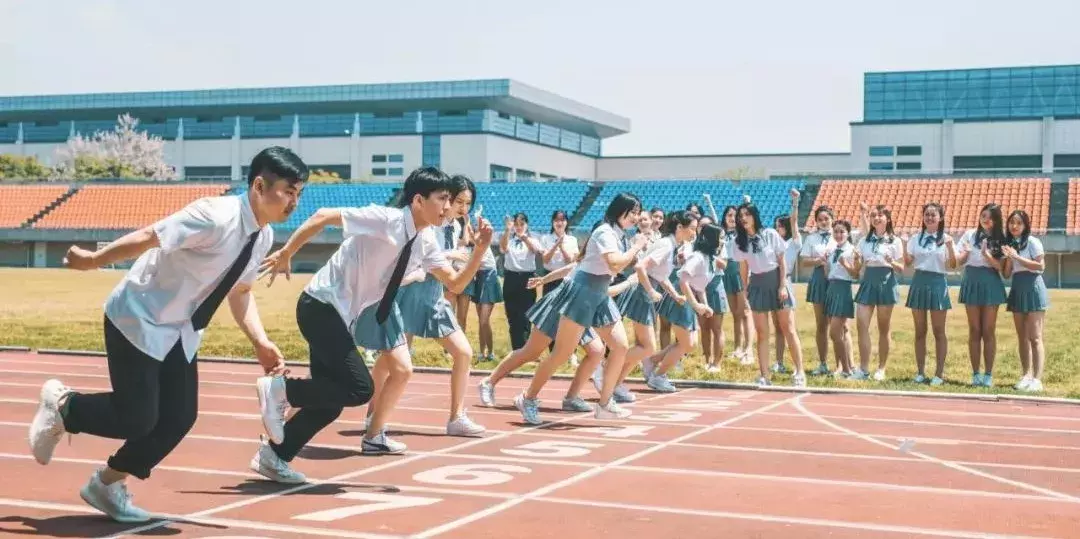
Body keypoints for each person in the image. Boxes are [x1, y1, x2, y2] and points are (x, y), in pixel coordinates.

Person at [27, 146, 308, 523]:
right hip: (139, 317)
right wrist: (93, 261)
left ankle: (106, 485)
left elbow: (240, 291)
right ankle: (64, 406)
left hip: (180, 330)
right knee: (137, 419)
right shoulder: (214, 216)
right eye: (289, 191)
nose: (294, 200)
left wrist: (259, 341)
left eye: (299, 193)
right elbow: (149, 236)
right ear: (260, 185)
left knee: (178, 418)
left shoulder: (262, 236)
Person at [252, 167, 493, 478]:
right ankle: (280, 389)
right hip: (321, 305)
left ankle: (274, 456)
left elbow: (456, 284)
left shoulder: (426, 240)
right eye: (443, 199)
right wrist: (287, 252)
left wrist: (480, 252)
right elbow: (324, 215)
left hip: (341, 315)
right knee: (359, 388)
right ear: (418, 200)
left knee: (332, 398)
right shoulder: (386, 219)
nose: (449, 208)